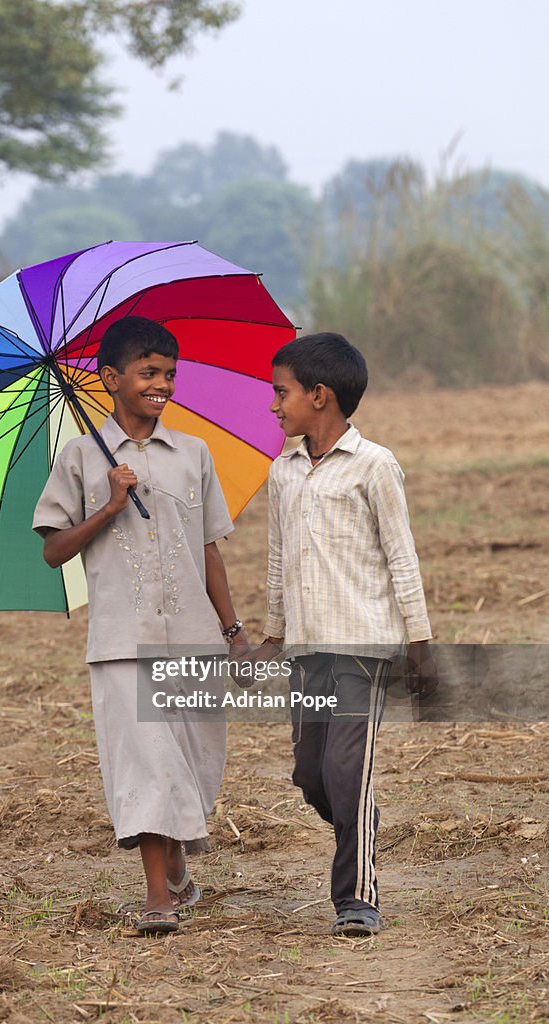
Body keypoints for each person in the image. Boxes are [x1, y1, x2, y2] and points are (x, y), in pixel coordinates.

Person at [32, 316, 247, 935]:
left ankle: (178, 870)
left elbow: (209, 548)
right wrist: (109, 505)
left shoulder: (194, 455)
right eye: (149, 372)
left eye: (170, 375)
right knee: (147, 765)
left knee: (195, 763)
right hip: (123, 642)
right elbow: (53, 551)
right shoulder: (79, 459)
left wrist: (232, 632)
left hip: (194, 639)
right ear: (110, 379)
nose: (162, 385)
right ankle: (158, 897)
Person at [248, 332, 438, 937]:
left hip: (363, 646)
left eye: (282, 393)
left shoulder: (375, 466)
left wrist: (420, 642)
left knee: (346, 768)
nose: (274, 406)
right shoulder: (283, 471)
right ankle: (361, 818)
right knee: (312, 775)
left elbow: (402, 558)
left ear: (320, 395)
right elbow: (278, 560)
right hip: (307, 650)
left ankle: (357, 896)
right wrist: (273, 636)